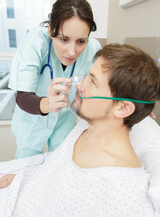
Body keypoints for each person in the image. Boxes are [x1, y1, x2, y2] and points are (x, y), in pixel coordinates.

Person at [0, 43, 160, 216]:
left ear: (122, 109)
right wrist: (24, 180)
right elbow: (56, 168)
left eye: (92, 81)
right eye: (87, 75)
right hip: (17, 195)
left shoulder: (124, 192)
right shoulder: (86, 126)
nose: (79, 85)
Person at [8, 0, 101, 158]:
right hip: (32, 119)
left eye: (81, 41)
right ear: (50, 30)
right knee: (26, 163)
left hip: (66, 118)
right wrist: (48, 104)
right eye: (64, 39)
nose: (72, 52)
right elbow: (22, 97)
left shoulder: (93, 49)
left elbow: (107, 82)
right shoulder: (35, 43)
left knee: (60, 161)